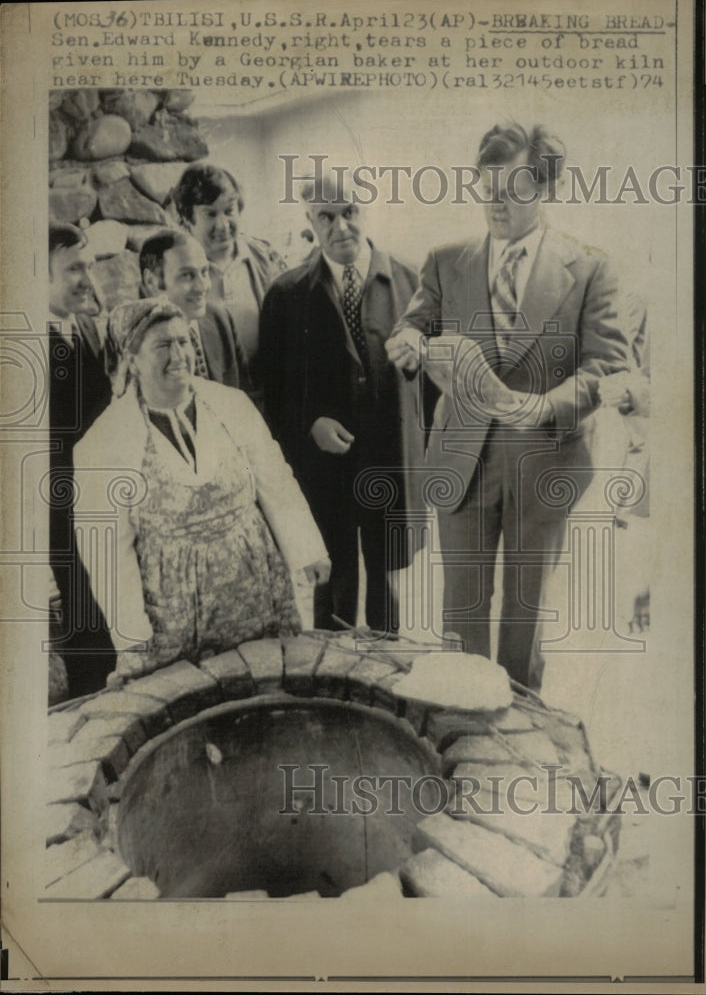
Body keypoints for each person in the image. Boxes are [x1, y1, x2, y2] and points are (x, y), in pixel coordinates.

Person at [387, 121, 630, 689]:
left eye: (515, 189)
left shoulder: (590, 268)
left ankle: (518, 734)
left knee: (526, 614)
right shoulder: (446, 261)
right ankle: (465, 726)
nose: (496, 201)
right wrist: (407, 345)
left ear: (544, 188)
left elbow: (607, 366)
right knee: (461, 611)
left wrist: (542, 406)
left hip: (545, 460)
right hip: (460, 460)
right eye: (487, 185)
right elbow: (411, 327)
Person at [73, 299, 330, 683]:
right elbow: (106, 549)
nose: (178, 356)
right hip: (173, 612)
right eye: (162, 346)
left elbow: (275, 478)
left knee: (269, 687)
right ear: (132, 357)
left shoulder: (231, 405)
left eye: (184, 342)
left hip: (256, 586)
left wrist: (307, 548)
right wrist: (132, 634)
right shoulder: (104, 442)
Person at [257, 173, 432, 635]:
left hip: (393, 464)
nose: (341, 227)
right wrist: (307, 424)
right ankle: (330, 682)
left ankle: (387, 672)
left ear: (366, 209)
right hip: (324, 470)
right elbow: (269, 392)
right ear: (309, 222)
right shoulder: (285, 294)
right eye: (326, 217)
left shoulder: (416, 284)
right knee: (331, 585)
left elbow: (439, 385)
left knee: (388, 584)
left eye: (349, 212)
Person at [48, 221, 115, 696]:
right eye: (73, 268)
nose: (85, 278)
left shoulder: (88, 327)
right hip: (53, 509)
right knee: (80, 612)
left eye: (89, 266)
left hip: (99, 497)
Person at [171, 162, 286, 365]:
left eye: (229, 211)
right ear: (188, 218)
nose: (223, 225)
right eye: (211, 214)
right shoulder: (173, 270)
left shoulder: (266, 257)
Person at [138, 229, 253, 397]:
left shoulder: (220, 318)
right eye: (187, 275)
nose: (203, 286)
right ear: (152, 282)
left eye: (204, 272)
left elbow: (245, 398)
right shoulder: (136, 341)